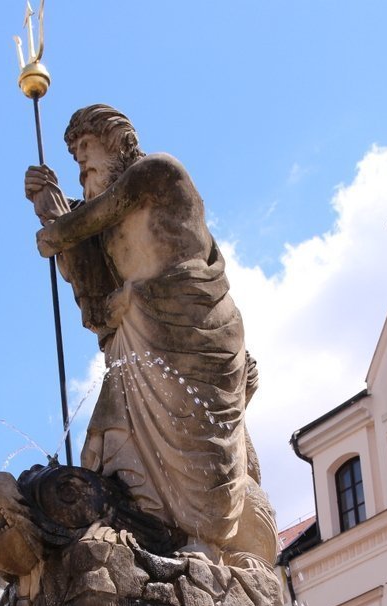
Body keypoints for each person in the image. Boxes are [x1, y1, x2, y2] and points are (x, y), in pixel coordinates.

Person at [25, 105, 276, 566]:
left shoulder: (156, 172)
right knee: (116, 426)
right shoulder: (103, 225)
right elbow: (96, 296)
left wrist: (61, 228)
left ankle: (204, 540)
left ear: (117, 141)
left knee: (196, 433)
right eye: (75, 153)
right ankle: (145, 529)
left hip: (195, 328)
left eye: (86, 147)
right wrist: (49, 208)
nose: (80, 161)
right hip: (137, 339)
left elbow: (90, 219)